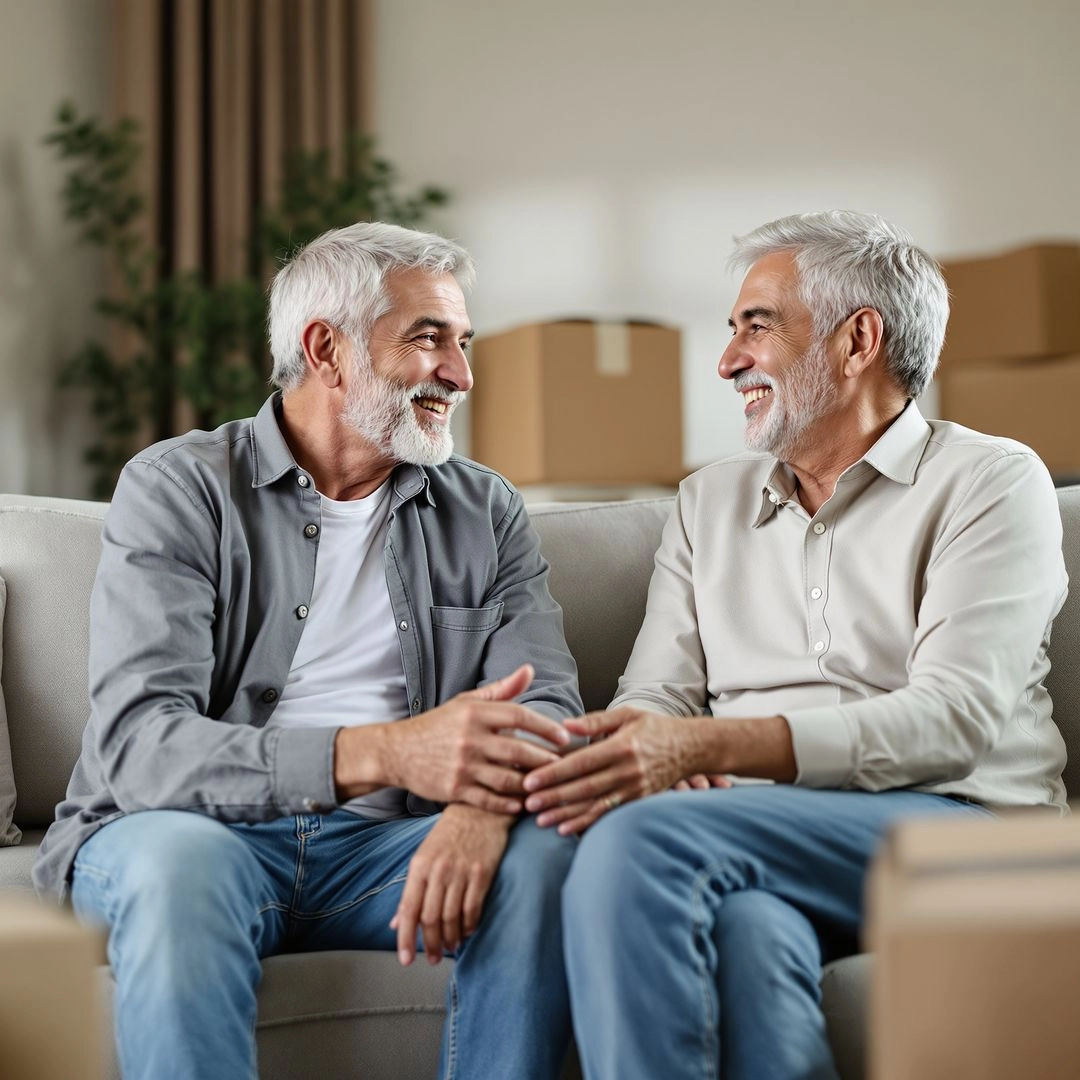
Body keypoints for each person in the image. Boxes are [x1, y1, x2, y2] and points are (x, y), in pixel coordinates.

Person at [522, 211, 1068, 1080]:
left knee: (642, 843)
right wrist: (649, 747)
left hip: (965, 826)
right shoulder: (707, 503)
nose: (727, 359)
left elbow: (955, 722)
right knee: (745, 929)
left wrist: (712, 750)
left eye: (756, 325)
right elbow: (656, 695)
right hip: (761, 833)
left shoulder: (991, 481)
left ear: (858, 341)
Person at [33, 222, 582, 1080]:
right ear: (327, 348)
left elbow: (546, 706)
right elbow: (140, 749)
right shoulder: (180, 488)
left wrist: (481, 810)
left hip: (387, 849)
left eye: (463, 343)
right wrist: (391, 752)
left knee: (543, 859)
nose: (462, 376)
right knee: (181, 870)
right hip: (191, 832)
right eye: (430, 338)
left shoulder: (485, 510)